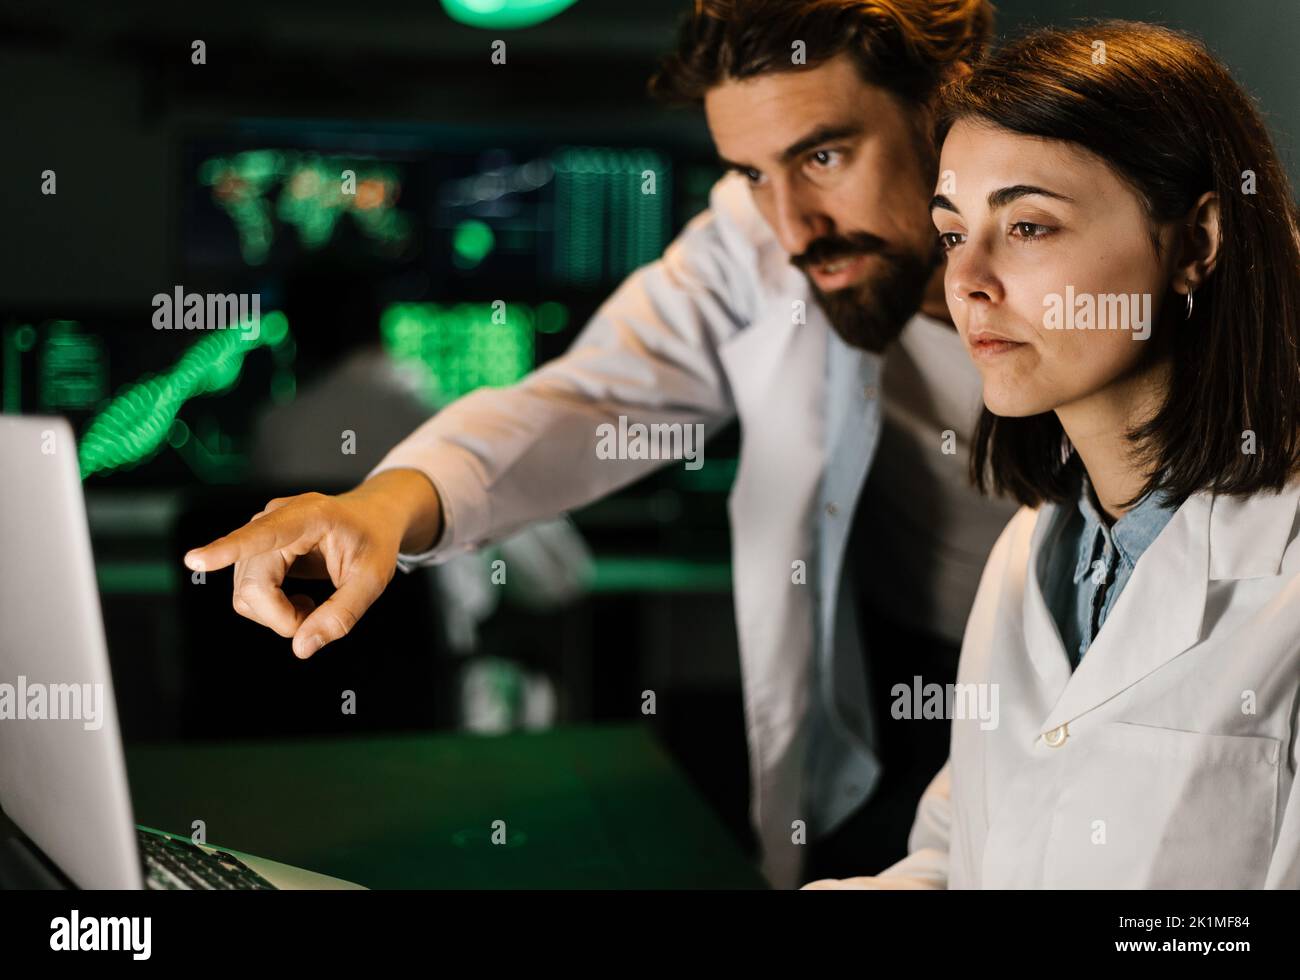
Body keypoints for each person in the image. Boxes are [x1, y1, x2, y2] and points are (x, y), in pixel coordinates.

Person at [184, 0, 1012, 888]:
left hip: (1074, 656)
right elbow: (593, 398)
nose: (791, 224)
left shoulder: (1090, 260)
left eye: (823, 155)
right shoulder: (755, 235)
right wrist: (382, 507)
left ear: (943, 107)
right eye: (751, 172)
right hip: (894, 656)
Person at [806, 20, 1300, 888]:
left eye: (1029, 227)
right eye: (954, 233)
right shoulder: (1036, 552)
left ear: (1197, 244)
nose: (967, 282)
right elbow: (968, 846)